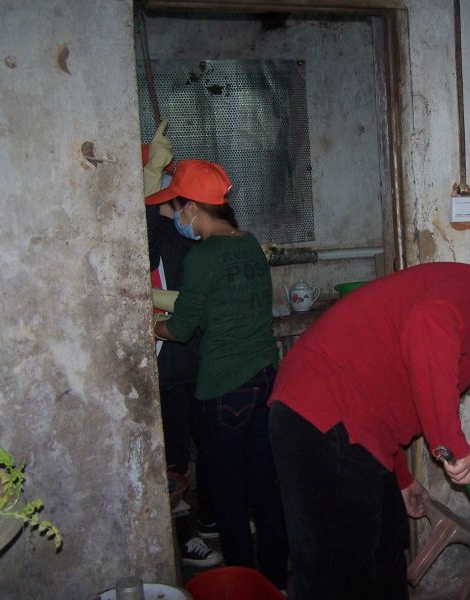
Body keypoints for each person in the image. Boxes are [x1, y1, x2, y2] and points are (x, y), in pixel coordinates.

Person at [268, 253, 470, 600]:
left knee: (387, 547)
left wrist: (402, 478)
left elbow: (392, 400)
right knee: (338, 575)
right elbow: (428, 322)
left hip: (351, 426)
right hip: (321, 414)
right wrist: (452, 445)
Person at [148, 159, 289, 592]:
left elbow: (182, 329)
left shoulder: (202, 257)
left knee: (228, 496)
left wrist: (155, 325)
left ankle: (243, 586)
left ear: (192, 208)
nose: (176, 219)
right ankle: (275, 583)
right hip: (265, 380)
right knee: (264, 488)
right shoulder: (250, 244)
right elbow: (228, 308)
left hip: (224, 388)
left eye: (176, 209)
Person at [142, 123, 221, 569]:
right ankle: (182, 534)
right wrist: (151, 173)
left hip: (201, 361)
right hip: (170, 363)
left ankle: (208, 518)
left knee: (209, 446)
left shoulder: (195, 235)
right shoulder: (153, 232)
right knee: (173, 455)